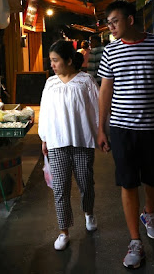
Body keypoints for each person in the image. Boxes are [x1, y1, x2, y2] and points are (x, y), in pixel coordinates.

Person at [96, 0, 154, 269]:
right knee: (127, 182)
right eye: (109, 23)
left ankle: (149, 213)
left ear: (130, 20)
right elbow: (105, 92)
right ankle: (135, 240)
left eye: (115, 21)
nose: (110, 27)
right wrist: (101, 128)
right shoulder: (110, 52)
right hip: (122, 129)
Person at [38, 40, 99, 251]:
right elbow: (44, 112)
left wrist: (102, 134)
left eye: (56, 60)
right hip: (56, 143)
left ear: (69, 60)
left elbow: (97, 109)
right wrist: (44, 138)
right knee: (60, 189)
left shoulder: (86, 81)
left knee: (86, 183)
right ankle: (63, 231)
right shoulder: (50, 84)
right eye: (51, 61)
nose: (52, 65)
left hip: (82, 141)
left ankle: (88, 213)